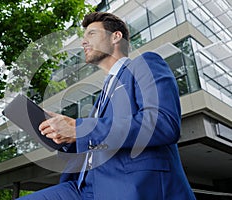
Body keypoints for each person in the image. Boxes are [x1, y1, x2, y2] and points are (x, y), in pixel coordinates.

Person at [17, 12, 196, 200]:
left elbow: (163, 124)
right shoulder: (101, 99)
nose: (83, 42)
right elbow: (97, 139)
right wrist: (56, 132)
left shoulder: (146, 64)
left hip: (129, 186)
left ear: (116, 37)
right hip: (82, 188)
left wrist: (79, 129)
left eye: (91, 34)